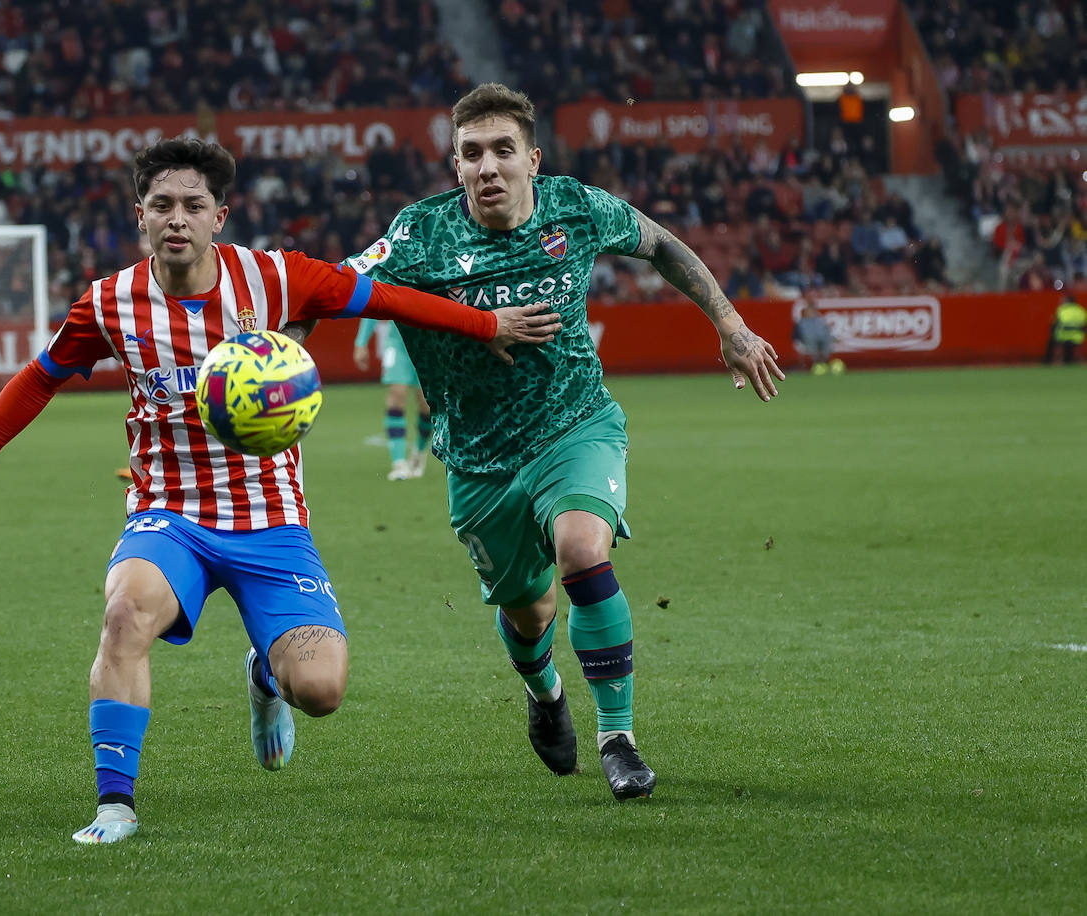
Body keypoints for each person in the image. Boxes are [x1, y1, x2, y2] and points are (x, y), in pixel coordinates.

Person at [0, 137, 562, 845]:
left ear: (222, 215)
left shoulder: (277, 278)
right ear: (140, 216)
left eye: (193, 205)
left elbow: (387, 299)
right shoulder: (109, 304)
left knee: (322, 692)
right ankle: (115, 806)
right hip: (169, 516)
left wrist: (488, 323)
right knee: (125, 616)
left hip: (272, 522)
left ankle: (265, 673)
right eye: (162, 205)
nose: (177, 218)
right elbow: (41, 376)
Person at [342, 83, 784, 801]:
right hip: (480, 460)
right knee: (529, 610)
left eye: (502, 151)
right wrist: (276, 350)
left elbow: (663, 244)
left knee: (583, 548)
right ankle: (545, 693)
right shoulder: (418, 234)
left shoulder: (576, 208)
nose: (488, 167)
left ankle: (618, 737)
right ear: (455, 166)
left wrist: (730, 327)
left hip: (575, 425)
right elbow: (332, 289)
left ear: (533, 159)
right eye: (472, 154)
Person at [353, 318, 432, 480]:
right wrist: (361, 342)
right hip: (397, 344)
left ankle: (419, 450)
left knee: (427, 405)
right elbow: (374, 301)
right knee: (397, 394)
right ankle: (399, 462)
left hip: (428, 346)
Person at [792, 296, 844, 374]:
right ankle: (816, 364)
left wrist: (832, 338)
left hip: (821, 340)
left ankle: (825, 363)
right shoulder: (801, 323)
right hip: (808, 341)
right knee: (811, 341)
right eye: (809, 311)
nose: (811, 312)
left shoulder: (820, 321)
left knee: (827, 341)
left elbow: (827, 332)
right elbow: (797, 335)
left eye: (813, 311)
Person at [1043, 292, 1085, 364]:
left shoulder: (1062, 310)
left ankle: (1055, 360)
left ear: (1067, 301)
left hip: (1063, 336)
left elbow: (1054, 324)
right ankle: (1079, 360)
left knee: (1053, 337)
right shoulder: (1081, 310)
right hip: (1078, 337)